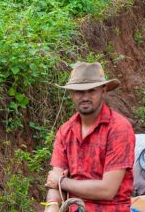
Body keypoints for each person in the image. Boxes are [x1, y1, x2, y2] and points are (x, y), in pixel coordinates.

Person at [45, 62, 135, 212]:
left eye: (91, 91)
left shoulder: (119, 128)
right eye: (79, 92)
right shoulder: (65, 131)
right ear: (72, 94)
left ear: (103, 90)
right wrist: (52, 204)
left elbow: (107, 190)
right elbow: (53, 182)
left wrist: (62, 182)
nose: (85, 97)